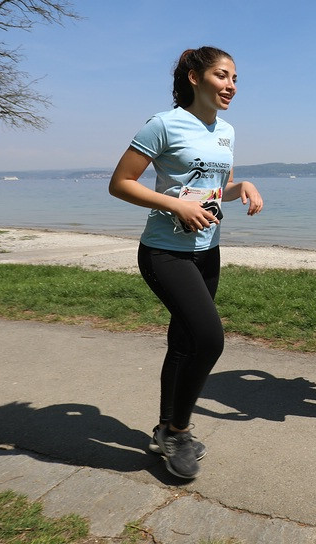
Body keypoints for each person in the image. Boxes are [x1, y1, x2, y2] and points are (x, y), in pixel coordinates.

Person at [108, 46, 263, 479]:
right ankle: (179, 429)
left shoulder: (226, 131)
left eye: (235, 78)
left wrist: (243, 186)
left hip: (206, 251)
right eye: (221, 75)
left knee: (183, 343)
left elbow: (218, 187)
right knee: (210, 339)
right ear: (195, 78)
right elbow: (120, 184)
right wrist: (174, 207)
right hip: (164, 252)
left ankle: (166, 431)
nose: (231, 85)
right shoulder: (163, 124)